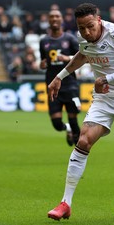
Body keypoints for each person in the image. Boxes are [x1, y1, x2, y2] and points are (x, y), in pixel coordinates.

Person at [46, 3, 114, 221]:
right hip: (104, 98)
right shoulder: (83, 38)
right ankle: (65, 203)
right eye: (81, 28)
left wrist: (105, 79)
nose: (86, 32)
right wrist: (59, 77)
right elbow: (82, 55)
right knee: (84, 140)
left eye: (90, 27)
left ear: (99, 20)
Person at [39, 9, 81, 146]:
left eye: (57, 16)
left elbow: (84, 57)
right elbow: (43, 61)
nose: (54, 19)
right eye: (51, 16)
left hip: (69, 85)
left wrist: (66, 58)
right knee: (57, 124)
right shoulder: (44, 41)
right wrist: (43, 64)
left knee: (74, 120)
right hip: (52, 85)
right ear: (48, 20)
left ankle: (79, 153)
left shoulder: (70, 39)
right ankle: (66, 128)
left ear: (61, 19)